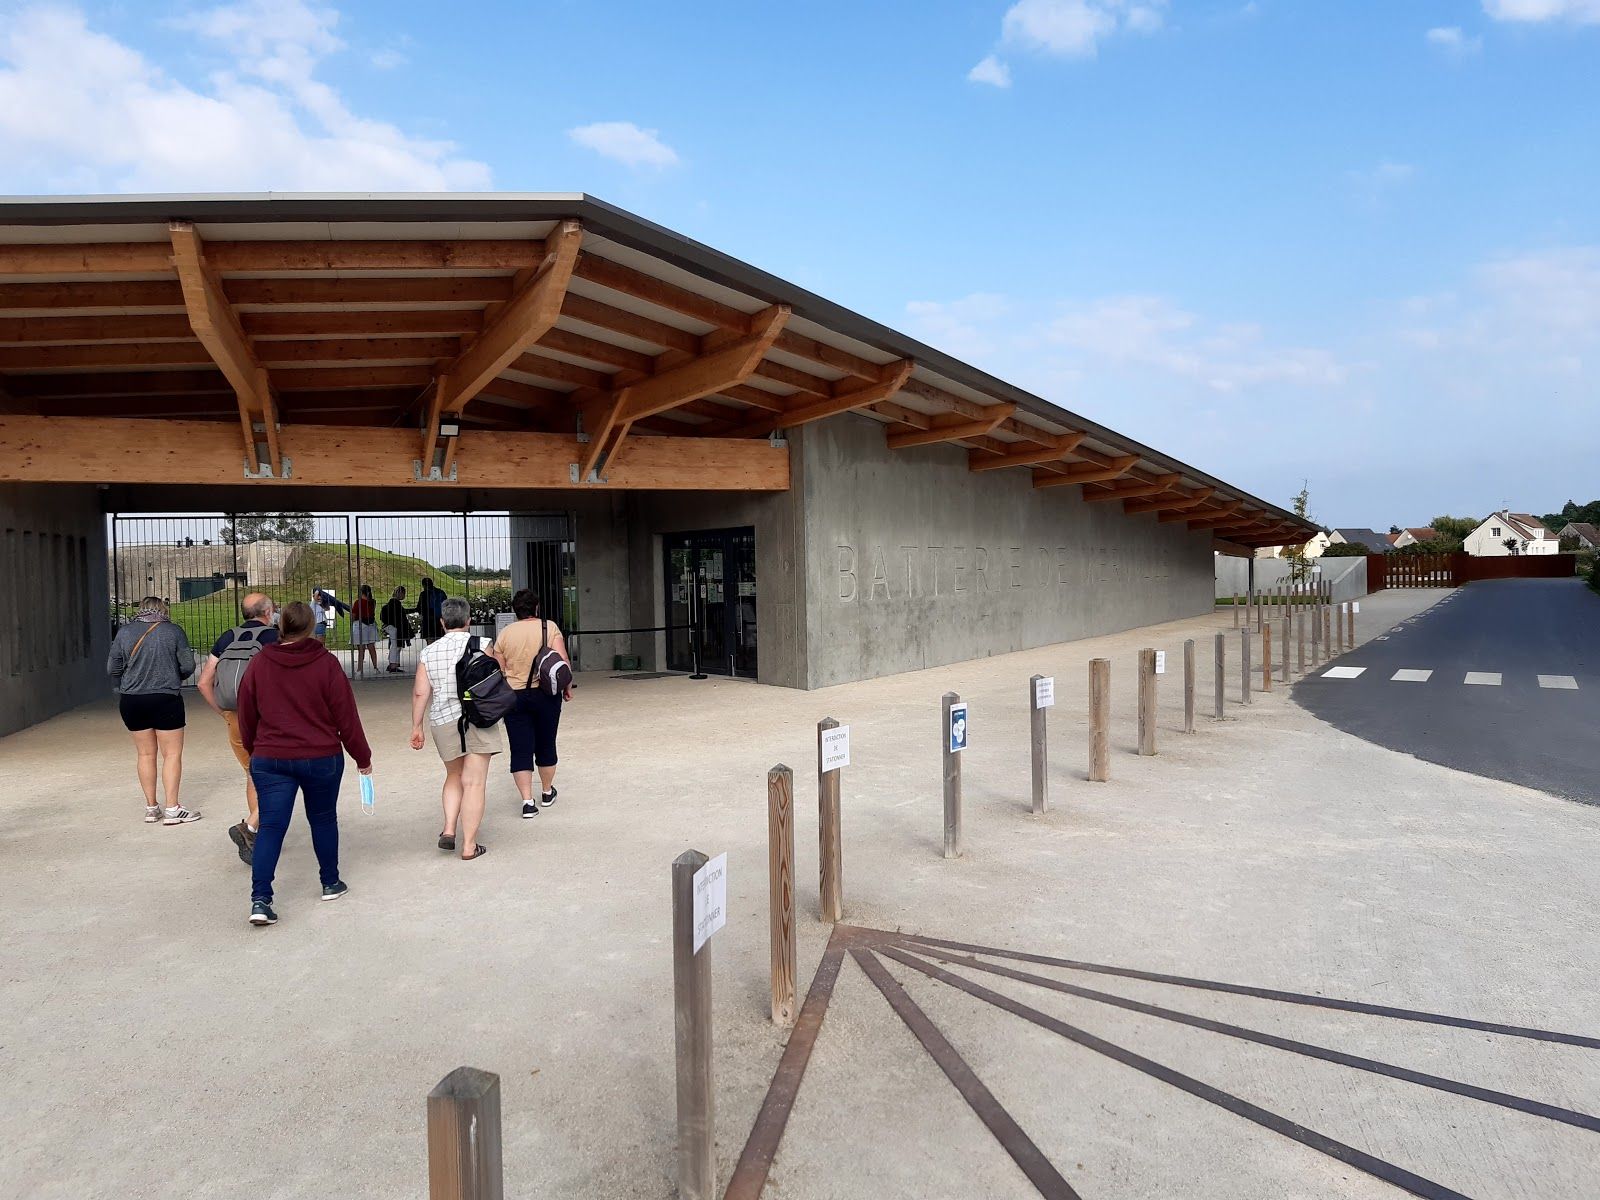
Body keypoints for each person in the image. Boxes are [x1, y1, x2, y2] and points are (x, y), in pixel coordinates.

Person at [236, 601, 372, 927]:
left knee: (271, 826)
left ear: (280, 626)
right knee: (323, 819)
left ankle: (261, 899)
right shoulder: (326, 664)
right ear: (311, 626)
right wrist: (362, 757)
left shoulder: (260, 663)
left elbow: (246, 713)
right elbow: (346, 717)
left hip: (271, 757)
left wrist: (258, 750)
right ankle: (330, 881)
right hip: (321, 755)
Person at [411, 597, 499, 860]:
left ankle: (449, 829)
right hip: (478, 718)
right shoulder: (483, 645)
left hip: (443, 720)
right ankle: (469, 846)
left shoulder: (429, 652)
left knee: (453, 776)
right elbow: (495, 680)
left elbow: (420, 693)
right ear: (469, 620)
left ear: (442, 622)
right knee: (474, 782)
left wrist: (417, 726)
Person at [195, 591, 278, 863]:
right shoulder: (272, 638)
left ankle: (256, 836)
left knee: (253, 774)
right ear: (268, 612)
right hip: (264, 719)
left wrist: (224, 714)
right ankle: (250, 827)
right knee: (277, 776)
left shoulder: (227, 638)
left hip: (235, 717)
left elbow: (203, 682)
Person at [106, 597, 200, 825]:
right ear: (164, 610)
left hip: (131, 699)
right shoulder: (173, 631)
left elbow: (113, 668)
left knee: (145, 754)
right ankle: (172, 808)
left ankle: (151, 807)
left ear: (140, 610)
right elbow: (188, 665)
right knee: (172, 754)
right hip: (165, 697)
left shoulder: (125, 632)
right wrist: (174, 675)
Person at [491, 588, 573, 819]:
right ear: (536, 607)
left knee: (520, 747)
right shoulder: (549, 627)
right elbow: (562, 661)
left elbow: (499, 669)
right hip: (546, 694)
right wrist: (567, 687)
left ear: (515, 611)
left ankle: (528, 802)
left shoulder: (506, 634)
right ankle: (547, 792)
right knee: (546, 742)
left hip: (514, 696)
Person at [349, 584, 380, 678]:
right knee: (372, 648)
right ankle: (375, 668)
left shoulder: (357, 602)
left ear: (361, 592)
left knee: (361, 650)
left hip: (360, 626)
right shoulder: (373, 602)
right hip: (371, 626)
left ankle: (359, 669)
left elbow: (353, 616)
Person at [381, 585, 411, 674]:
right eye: (404, 593)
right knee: (396, 646)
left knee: (395, 646)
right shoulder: (396, 604)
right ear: (400, 593)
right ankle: (393, 665)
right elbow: (399, 617)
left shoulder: (391, 603)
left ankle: (393, 664)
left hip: (390, 626)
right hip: (395, 627)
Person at [416, 576, 446, 643]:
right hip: (439, 620)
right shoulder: (441, 592)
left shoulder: (424, 594)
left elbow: (419, 607)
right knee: (439, 641)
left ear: (423, 585)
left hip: (428, 621)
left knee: (430, 642)